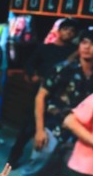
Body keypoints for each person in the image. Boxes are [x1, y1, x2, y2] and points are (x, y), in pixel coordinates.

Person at [21, 28, 93, 176]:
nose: (87, 47)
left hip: (79, 134)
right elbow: (41, 97)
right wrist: (40, 130)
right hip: (53, 127)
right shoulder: (62, 68)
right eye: (84, 42)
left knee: (62, 174)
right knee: (35, 166)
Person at [7, 18, 79, 166]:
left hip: (61, 98)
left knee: (56, 137)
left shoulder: (75, 52)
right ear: (59, 32)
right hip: (40, 94)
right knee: (28, 128)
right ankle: (13, 159)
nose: (69, 33)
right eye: (66, 29)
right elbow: (30, 65)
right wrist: (33, 76)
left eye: (72, 31)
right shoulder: (45, 48)